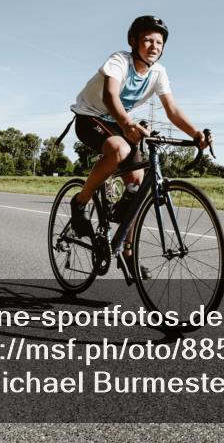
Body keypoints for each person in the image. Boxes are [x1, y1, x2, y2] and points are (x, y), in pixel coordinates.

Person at [67, 16, 210, 278]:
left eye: (159, 42)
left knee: (138, 181)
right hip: (91, 116)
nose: (154, 46)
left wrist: (195, 133)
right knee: (119, 150)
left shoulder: (158, 72)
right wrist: (127, 123)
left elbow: (173, 110)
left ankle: (127, 251)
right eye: (148, 40)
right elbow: (110, 95)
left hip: (119, 123)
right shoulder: (119, 60)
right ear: (133, 42)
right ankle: (80, 203)